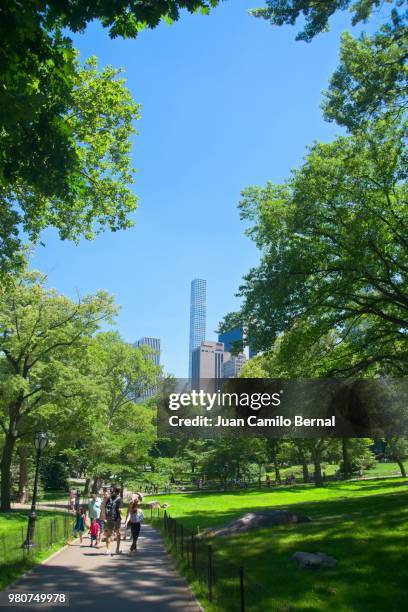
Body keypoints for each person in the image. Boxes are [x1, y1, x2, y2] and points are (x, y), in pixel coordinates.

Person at [104, 486, 122, 555]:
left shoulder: (109, 499)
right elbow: (120, 510)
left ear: (114, 490)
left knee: (108, 534)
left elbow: (105, 507)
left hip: (109, 518)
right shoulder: (119, 499)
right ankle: (117, 549)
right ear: (119, 491)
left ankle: (108, 549)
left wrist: (106, 516)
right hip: (117, 518)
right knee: (118, 533)